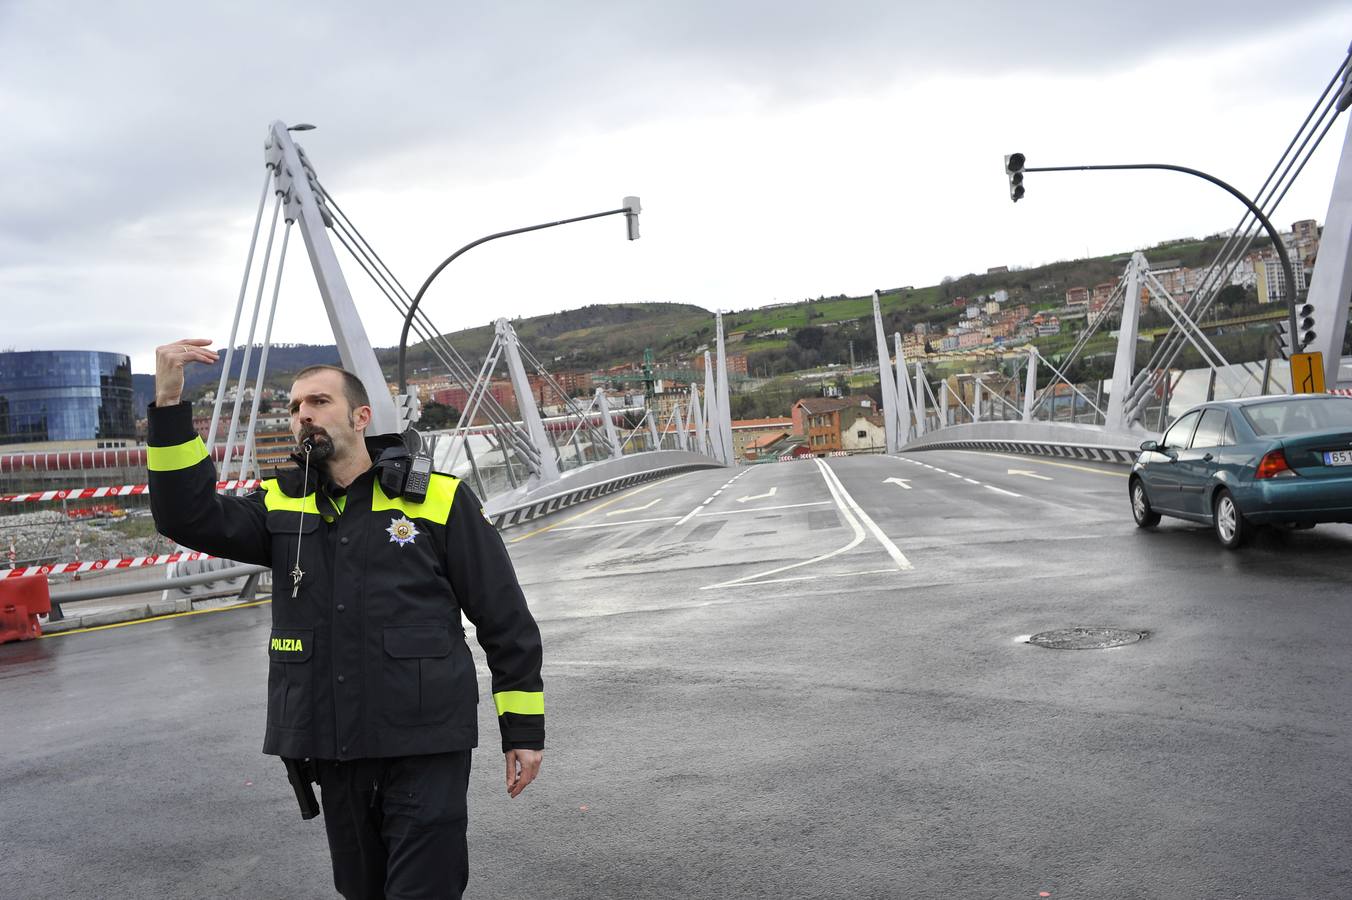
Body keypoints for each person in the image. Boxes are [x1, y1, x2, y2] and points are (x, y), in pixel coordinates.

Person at [146, 339, 544, 900]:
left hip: (424, 743)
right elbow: (185, 515)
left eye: (318, 401)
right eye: (294, 406)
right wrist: (167, 405)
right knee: (362, 890)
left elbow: (505, 620)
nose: (303, 413)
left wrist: (522, 730)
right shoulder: (282, 506)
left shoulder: (438, 500)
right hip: (333, 748)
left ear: (361, 417)